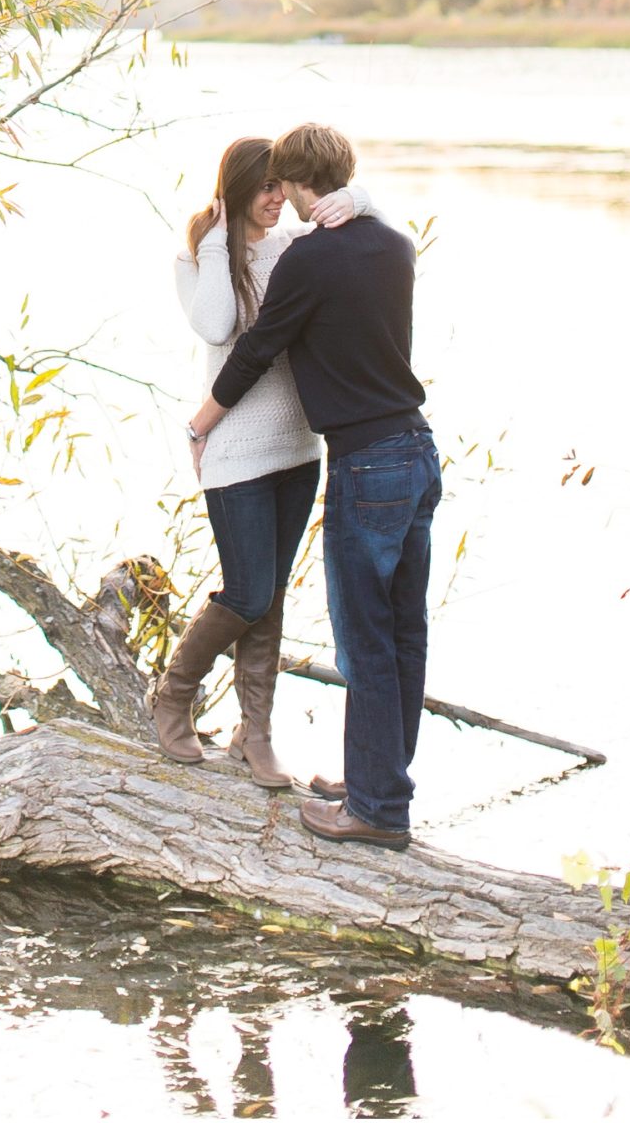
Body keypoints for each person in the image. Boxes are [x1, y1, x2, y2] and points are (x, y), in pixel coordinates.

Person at [192, 120, 438, 850]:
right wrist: (358, 198)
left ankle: (375, 813)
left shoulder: (307, 260)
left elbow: (257, 348)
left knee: (365, 642)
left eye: (285, 186)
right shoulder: (393, 243)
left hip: (365, 464)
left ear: (301, 186)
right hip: (418, 452)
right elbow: (368, 220)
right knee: (403, 636)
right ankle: (380, 786)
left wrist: (202, 423)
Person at [150, 136, 375, 776]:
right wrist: (221, 236)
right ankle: (172, 697)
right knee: (247, 592)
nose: (279, 200)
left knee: (270, 595)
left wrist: (355, 197)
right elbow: (220, 326)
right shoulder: (196, 259)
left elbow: (379, 225)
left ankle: (256, 734)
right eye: (267, 187)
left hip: (298, 449)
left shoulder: (297, 250)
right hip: (235, 454)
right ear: (240, 189)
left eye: (284, 187)